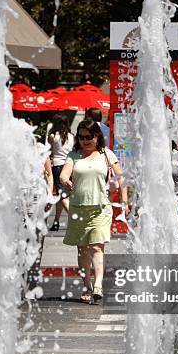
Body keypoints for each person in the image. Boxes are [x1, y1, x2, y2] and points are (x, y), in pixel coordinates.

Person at [59, 120, 127, 304]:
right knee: (82, 250)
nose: (85, 140)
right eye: (81, 137)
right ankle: (87, 287)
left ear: (97, 136)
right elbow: (64, 173)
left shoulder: (106, 154)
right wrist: (66, 180)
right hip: (78, 208)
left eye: (89, 137)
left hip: (101, 208)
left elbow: (121, 179)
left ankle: (98, 286)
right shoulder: (74, 155)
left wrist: (125, 201)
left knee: (97, 246)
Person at [25, 135, 54, 291]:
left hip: (39, 201)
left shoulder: (42, 150)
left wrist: (49, 195)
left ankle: (32, 278)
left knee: (36, 238)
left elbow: (49, 174)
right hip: (21, 201)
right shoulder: (15, 151)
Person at [47, 113, 74, 231]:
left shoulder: (53, 136)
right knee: (62, 195)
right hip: (69, 166)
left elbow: (50, 150)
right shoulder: (71, 136)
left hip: (57, 166)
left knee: (62, 196)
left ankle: (74, 218)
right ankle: (56, 221)